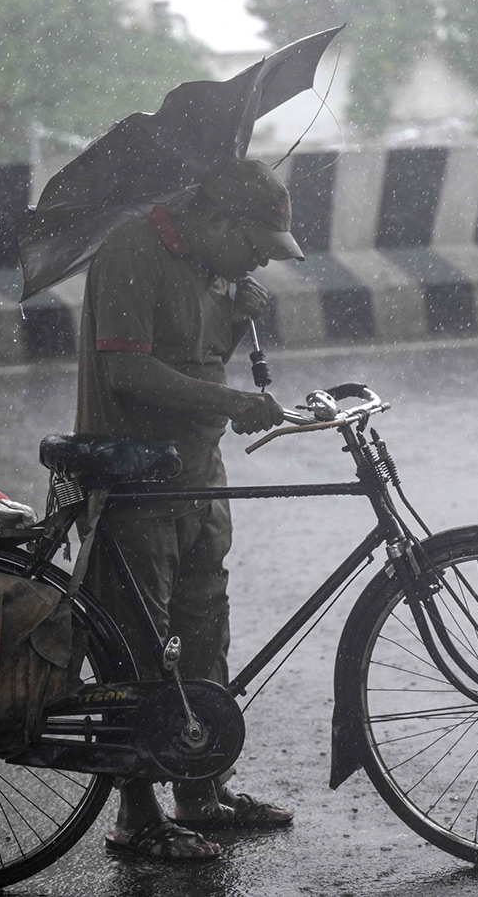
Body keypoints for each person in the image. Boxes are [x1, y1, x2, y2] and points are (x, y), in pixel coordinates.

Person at [74, 158, 306, 861]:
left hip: (198, 477)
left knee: (205, 629)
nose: (260, 258)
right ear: (217, 218)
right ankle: (136, 816)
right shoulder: (132, 252)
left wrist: (236, 314)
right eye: (255, 244)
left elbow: (195, 358)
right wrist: (233, 402)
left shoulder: (213, 267)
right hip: (135, 482)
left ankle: (200, 789)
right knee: (138, 649)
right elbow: (128, 371)